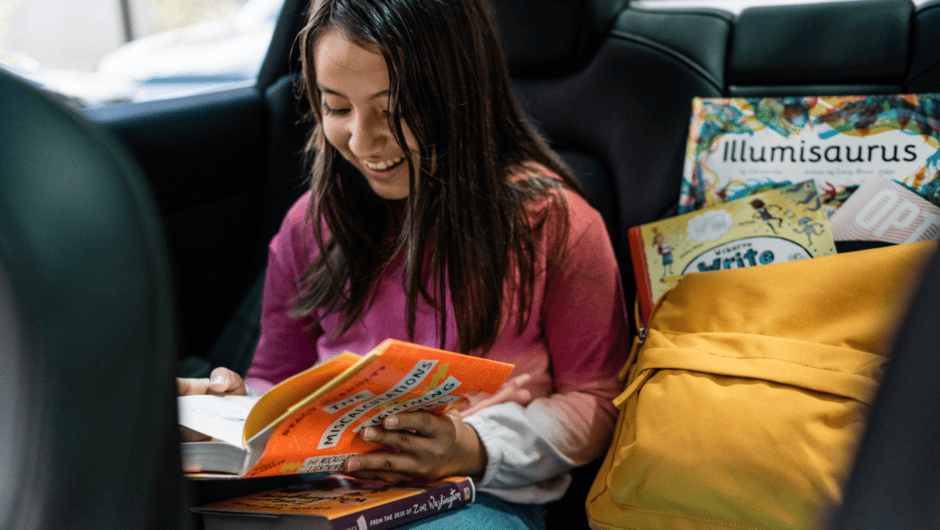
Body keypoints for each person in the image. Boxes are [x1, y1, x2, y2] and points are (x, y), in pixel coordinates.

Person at [179, 0, 629, 527]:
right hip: (320, 489)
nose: (363, 140)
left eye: (392, 111)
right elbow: (276, 379)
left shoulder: (555, 222)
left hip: (472, 492)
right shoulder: (311, 226)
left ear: (460, 95)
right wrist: (233, 408)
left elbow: (597, 396)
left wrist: (474, 448)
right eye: (338, 109)